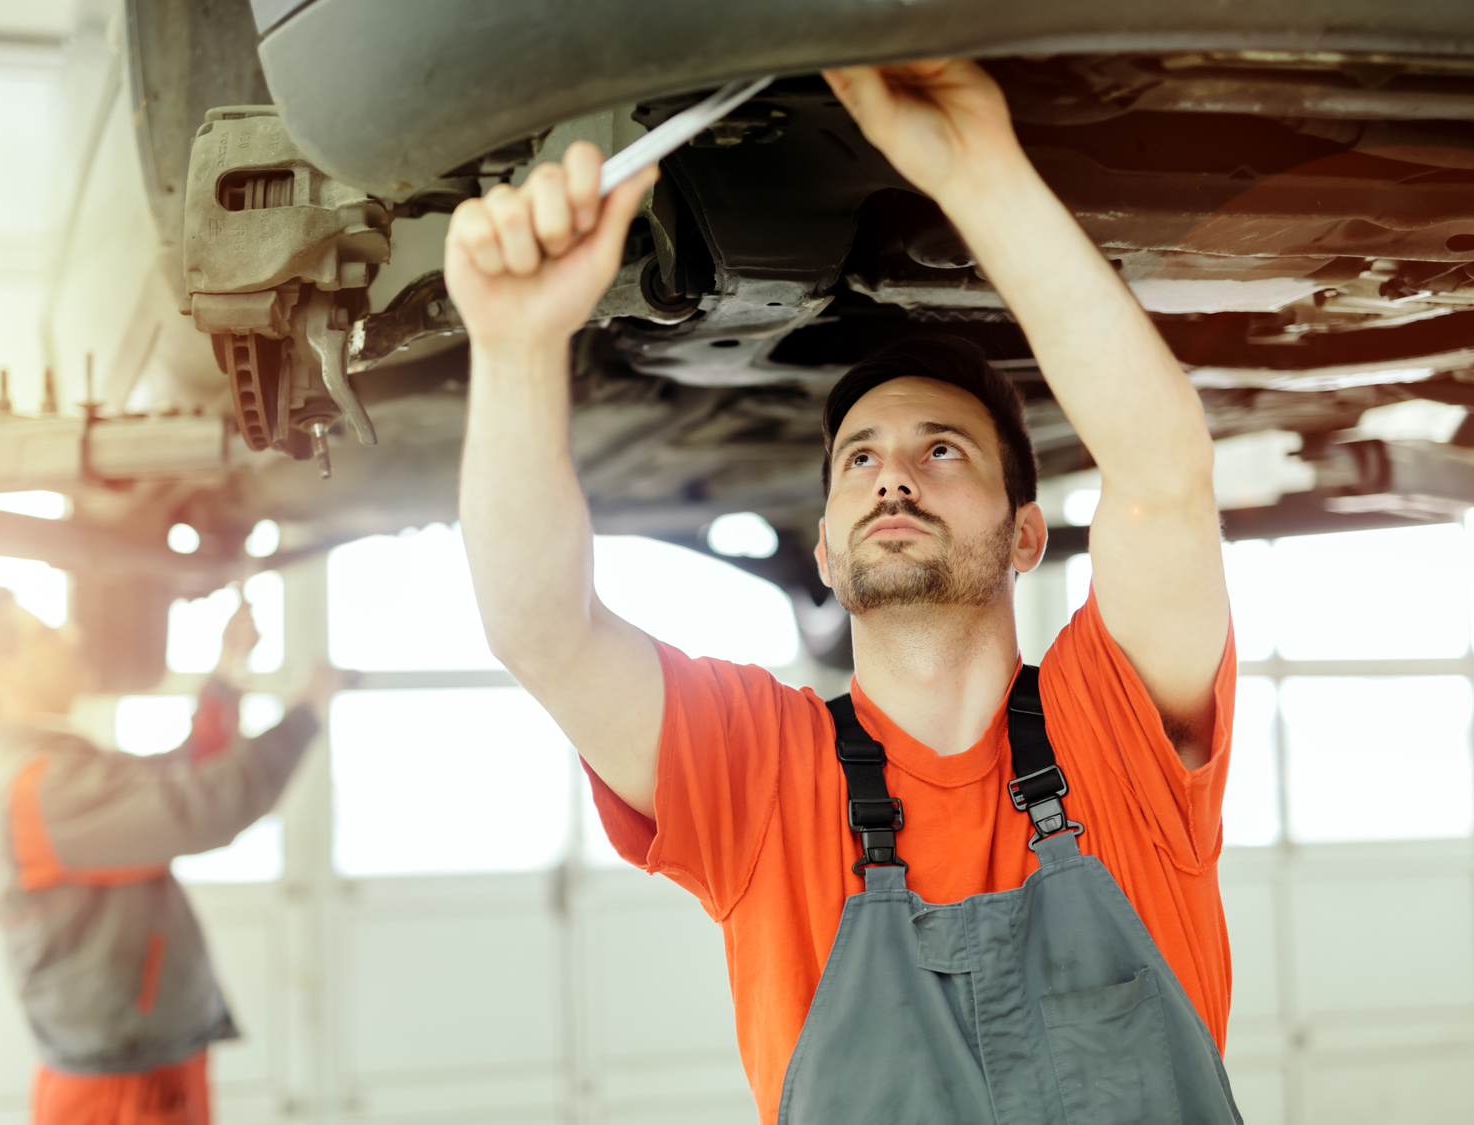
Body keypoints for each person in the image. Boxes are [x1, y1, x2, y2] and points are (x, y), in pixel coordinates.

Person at [446, 58, 1240, 1124]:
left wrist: (978, 171)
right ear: (822, 550)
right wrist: (513, 347)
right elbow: (542, 631)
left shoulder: (1116, 732)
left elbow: (1160, 479)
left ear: (1024, 536)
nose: (893, 474)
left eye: (942, 450)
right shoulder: (760, 773)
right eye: (857, 460)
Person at [0, 587, 338, 1125]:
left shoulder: (59, 768)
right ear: (7, 673)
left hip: (141, 1068)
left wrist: (228, 667)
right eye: (45, 634)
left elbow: (187, 771)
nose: (71, 637)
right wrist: (306, 713)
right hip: (121, 1093)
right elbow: (205, 806)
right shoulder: (41, 787)